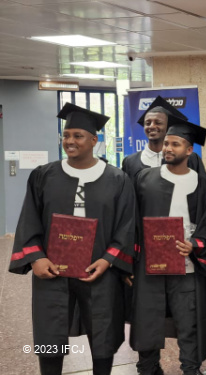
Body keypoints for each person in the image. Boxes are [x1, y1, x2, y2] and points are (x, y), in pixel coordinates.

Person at [10, 103, 135, 375]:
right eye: (66, 135)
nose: (70, 141)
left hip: (98, 268)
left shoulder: (117, 179)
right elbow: (29, 218)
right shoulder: (43, 175)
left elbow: (126, 225)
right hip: (52, 267)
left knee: (103, 333)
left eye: (78, 136)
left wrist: (108, 259)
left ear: (94, 140)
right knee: (48, 334)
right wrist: (36, 257)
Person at [130, 117, 206, 375]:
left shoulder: (202, 183)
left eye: (175, 144)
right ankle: (148, 368)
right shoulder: (144, 178)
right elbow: (131, 222)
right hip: (150, 266)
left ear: (189, 150)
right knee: (148, 319)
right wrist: (131, 262)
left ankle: (190, 369)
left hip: (187, 266)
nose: (167, 148)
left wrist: (196, 245)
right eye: (166, 143)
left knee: (190, 322)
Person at [122, 96, 206, 180]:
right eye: (147, 123)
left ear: (169, 127)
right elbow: (127, 192)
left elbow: (204, 189)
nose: (151, 126)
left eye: (158, 122)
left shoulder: (188, 158)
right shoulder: (130, 162)